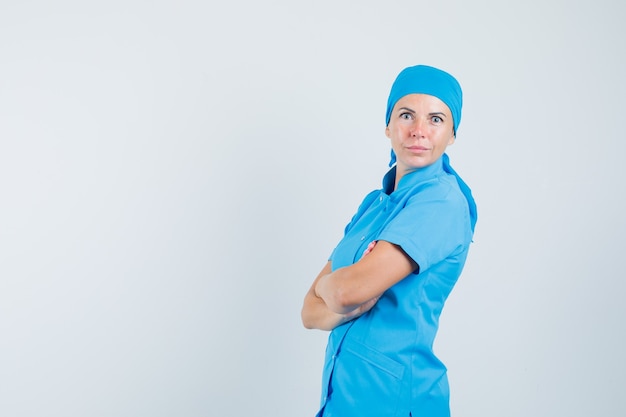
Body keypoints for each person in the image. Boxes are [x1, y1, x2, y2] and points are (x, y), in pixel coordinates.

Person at [301, 64, 478, 417]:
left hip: (395, 401)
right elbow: (309, 311)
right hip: (342, 399)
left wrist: (338, 292)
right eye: (407, 115)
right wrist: (344, 295)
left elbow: (340, 293)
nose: (419, 131)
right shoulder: (374, 204)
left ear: (453, 134)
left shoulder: (441, 201)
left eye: (436, 119)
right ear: (388, 125)